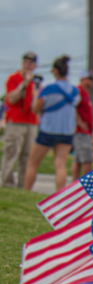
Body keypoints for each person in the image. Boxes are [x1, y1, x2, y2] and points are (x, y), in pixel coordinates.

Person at [23, 56, 80, 191]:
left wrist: (35, 93)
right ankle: (59, 195)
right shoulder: (74, 91)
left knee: (33, 163)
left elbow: (36, 108)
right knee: (60, 164)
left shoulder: (48, 89)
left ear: (55, 71)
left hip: (48, 129)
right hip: (66, 131)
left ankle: (26, 190)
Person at [2, 52, 39, 188]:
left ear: (35, 66)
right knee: (11, 153)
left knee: (27, 156)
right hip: (15, 122)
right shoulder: (14, 78)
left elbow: (38, 103)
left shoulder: (35, 83)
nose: (28, 66)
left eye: (31, 63)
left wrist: (35, 88)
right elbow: (11, 98)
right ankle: (7, 183)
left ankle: (24, 185)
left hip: (31, 122)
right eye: (26, 62)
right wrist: (24, 83)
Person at [72, 70, 93, 179]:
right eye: (90, 79)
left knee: (78, 159)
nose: (92, 81)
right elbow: (73, 107)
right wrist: (79, 122)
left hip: (86, 131)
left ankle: (75, 184)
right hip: (81, 131)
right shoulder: (79, 91)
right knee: (87, 160)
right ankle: (85, 186)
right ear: (83, 79)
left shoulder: (86, 93)